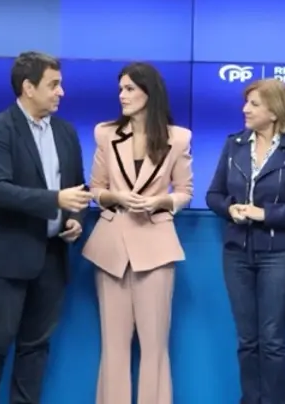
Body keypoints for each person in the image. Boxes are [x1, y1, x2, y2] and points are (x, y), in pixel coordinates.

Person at [0, 51, 91, 404]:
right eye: (54, 85)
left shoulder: (65, 132)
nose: (61, 92)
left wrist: (75, 219)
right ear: (28, 87)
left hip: (51, 258)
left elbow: (77, 189)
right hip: (7, 258)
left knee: (36, 347)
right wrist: (55, 200)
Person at [82, 62, 193, 404]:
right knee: (113, 346)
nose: (122, 95)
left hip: (155, 248)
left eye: (130, 89)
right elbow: (96, 189)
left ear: (149, 92)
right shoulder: (105, 134)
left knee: (154, 347)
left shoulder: (178, 138)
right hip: (111, 249)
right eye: (121, 89)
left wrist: (161, 201)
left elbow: (185, 192)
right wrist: (116, 196)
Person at [206, 78, 285, 404]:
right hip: (237, 253)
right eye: (246, 103)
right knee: (247, 340)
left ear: (274, 111)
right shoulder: (234, 145)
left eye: (254, 104)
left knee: (272, 340)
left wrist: (265, 214)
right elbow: (213, 194)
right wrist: (230, 208)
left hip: (280, 255)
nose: (245, 109)